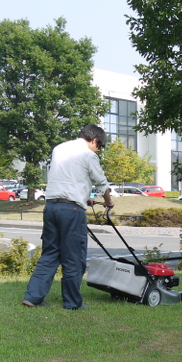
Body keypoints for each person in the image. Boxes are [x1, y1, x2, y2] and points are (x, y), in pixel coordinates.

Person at [22, 125, 114, 310]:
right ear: (95, 140)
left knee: (50, 254)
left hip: (51, 207)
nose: (98, 150)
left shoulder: (60, 148)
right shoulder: (88, 155)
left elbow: (70, 176)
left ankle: (32, 297)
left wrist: (84, 196)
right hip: (71, 211)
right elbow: (102, 184)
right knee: (74, 258)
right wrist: (109, 202)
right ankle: (72, 303)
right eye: (99, 146)